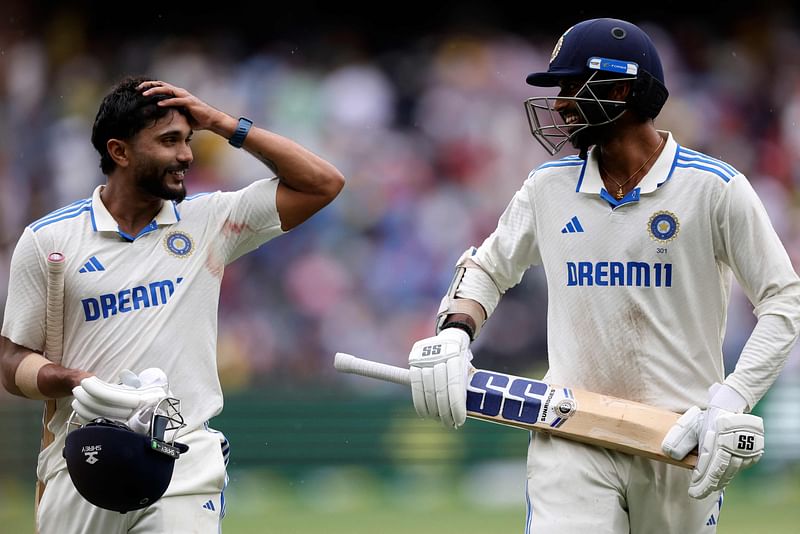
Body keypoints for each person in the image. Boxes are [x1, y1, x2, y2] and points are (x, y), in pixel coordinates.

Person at [406, 17, 800, 533]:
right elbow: (487, 267)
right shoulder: (546, 187)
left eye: (573, 87)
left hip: (679, 438)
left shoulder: (713, 189)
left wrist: (729, 400)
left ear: (620, 88)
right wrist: (456, 333)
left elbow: (783, 300)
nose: (561, 103)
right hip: (570, 429)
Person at [0, 75, 345, 533]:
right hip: (84, 458)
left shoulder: (210, 219)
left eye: (188, 139)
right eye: (168, 141)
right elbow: (12, 362)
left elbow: (323, 184)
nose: (186, 154)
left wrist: (222, 123)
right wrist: (76, 382)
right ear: (119, 152)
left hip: (182, 459)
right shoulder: (49, 241)